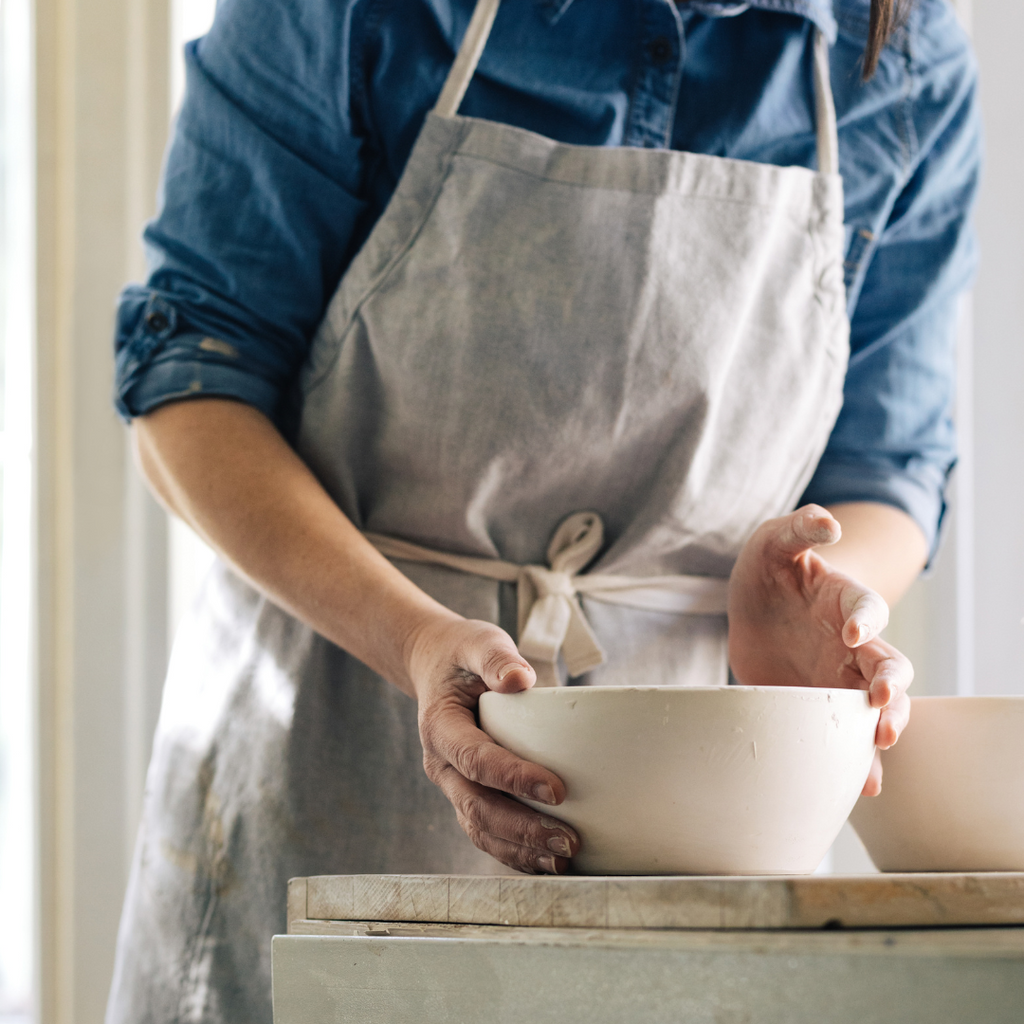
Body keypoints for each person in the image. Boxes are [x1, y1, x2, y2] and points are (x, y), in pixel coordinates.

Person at [106, 0, 980, 1020]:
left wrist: (811, 596)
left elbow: (888, 467)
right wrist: (417, 639)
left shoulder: (904, 56)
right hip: (332, 737)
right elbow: (195, 385)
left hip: (700, 831)